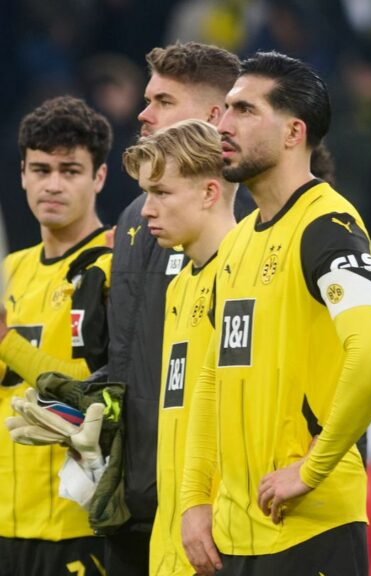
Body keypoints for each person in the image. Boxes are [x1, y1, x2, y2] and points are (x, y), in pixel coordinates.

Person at [179, 51, 371, 576]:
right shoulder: (235, 246)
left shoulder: (327, 224)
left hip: (310, 529)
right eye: (226, 109)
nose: (224, 125)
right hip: (236, 535)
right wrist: (195, 501)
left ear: (293, 132)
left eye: (245, 111)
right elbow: (211, 377)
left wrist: (312, 470)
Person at [104, 41, 241, 574]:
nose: (143, 114)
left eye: (162, 101)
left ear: (212, 116)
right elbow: (133, 352)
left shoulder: (250, 212)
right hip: (136, 497)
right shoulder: (138, 214)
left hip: (205, 507)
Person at [0, 96, 113, 575]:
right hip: (7, 522)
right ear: (23, 173)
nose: (52, 184)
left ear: (99, 178)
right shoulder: (11, 269)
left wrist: (7, 342)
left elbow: (95, 387)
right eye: (41, 169)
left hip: (76, 524)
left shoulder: (111, 268)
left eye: (70, 170)